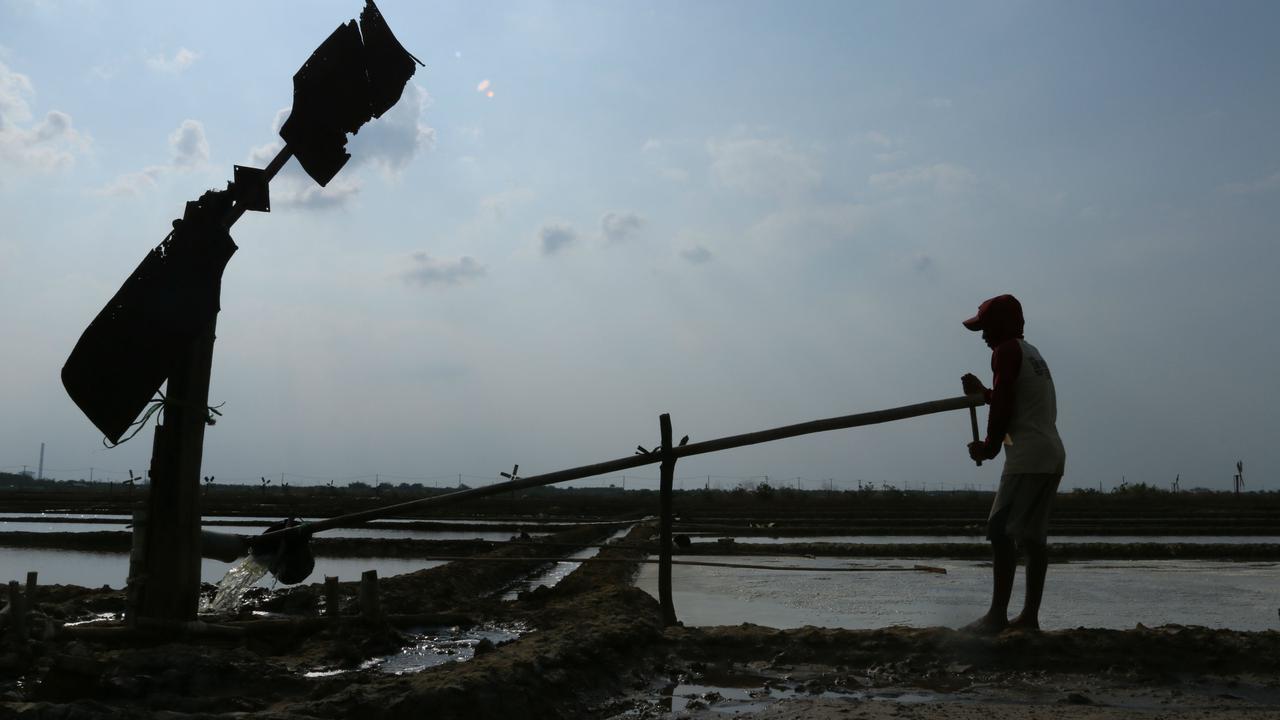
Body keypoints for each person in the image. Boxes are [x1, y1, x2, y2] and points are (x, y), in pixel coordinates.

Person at [960, 294, 1066, 634]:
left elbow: (1004, 406)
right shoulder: (1030, 352)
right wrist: (984, 393)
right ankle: (1028, 620)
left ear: (1001, 326)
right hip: (1048, 453)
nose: (983, 336)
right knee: (1032, 539)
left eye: (986, 328)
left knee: (999, 530)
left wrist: (989, 448)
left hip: (1027, 458)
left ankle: (996, 617)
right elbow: (1013, 399)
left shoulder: (1004, 352)